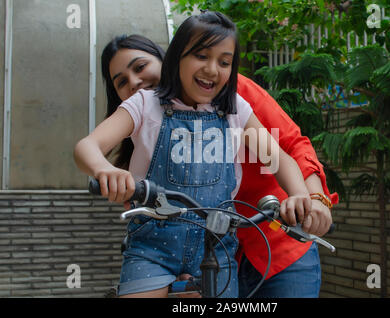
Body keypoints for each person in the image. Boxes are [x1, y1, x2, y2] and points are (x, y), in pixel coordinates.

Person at [74, 11, 314, 298]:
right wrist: (105, 170)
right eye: (202, 56)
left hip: (219, 246)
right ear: (176, 57)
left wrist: (299, 193)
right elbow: (86, 146)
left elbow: (279, 158)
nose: (213, 69)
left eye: (224, 62)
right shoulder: (144, 105)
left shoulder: (236, 108)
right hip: (152, 249)